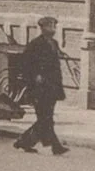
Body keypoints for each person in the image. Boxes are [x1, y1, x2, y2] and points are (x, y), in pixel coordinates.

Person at [13, 17, 68, 155]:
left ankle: (24, 142)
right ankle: (55, 146)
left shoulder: (54, 43)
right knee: (45, 118)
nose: (52, 29)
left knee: (45, 118)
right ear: (42, 28)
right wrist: (35, 76)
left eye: (54, 26)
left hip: (52, 87)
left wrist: (61, 54)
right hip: (39, 88)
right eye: (49, 26)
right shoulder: (35, 44)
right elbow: (25, 64)